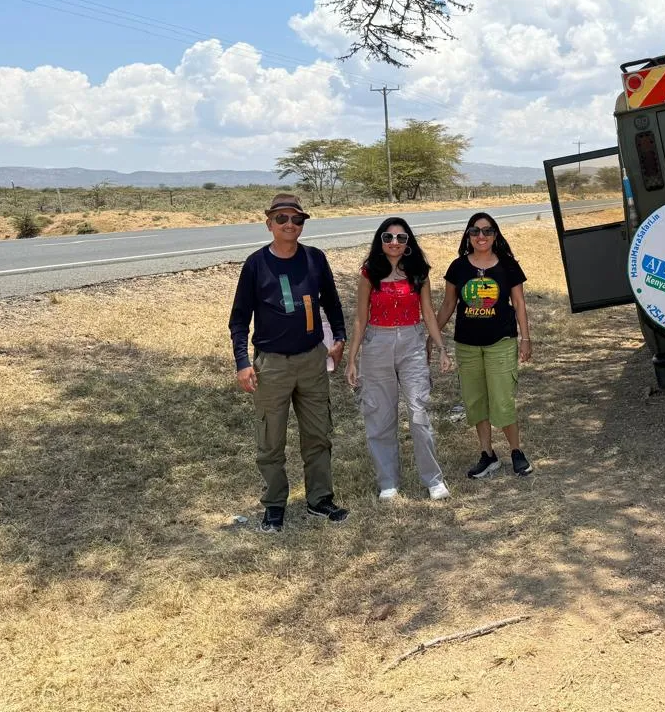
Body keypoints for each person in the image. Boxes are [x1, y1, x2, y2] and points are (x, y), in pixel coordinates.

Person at [229, 193, 349, 533]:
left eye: (296, 219)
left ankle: (320, 500)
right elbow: (239, 320)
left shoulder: (315, 259)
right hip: (272, 365)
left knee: (318, 435)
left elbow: (333, 303)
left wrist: (338, 340)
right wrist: (242, 362)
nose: (290, 225)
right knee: (270, 440)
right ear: (269, 224)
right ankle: (274, 505)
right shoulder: (255, 264)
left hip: (312, 360)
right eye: (281, 219)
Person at [346, 218, 453, 501]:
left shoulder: (419, 272)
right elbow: (360, 318)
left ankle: (433, 479)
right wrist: (352, 358)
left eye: (401, 238)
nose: (394, 242)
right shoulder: (369, 273)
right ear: (380, 241)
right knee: (380, 415)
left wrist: (441, 347)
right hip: (376, 343)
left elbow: (428, 313)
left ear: (408, 243)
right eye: (388, 237)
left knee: (419, 412)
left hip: (412, 342)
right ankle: (388, 482)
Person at [437, 212, 534, 478]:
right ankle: (487, 454)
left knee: (503, 400)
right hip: (467, 346)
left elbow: (519, 304)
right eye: (475, 231)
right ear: (468, 236)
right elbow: (448, 305)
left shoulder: (508, 266)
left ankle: (516, 452)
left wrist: (525, 338)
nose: (481, 236)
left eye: (487, 231)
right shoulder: (458, 267)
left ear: (495, 235)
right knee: (475, 401)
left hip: (500, 342)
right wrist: (432, 336)